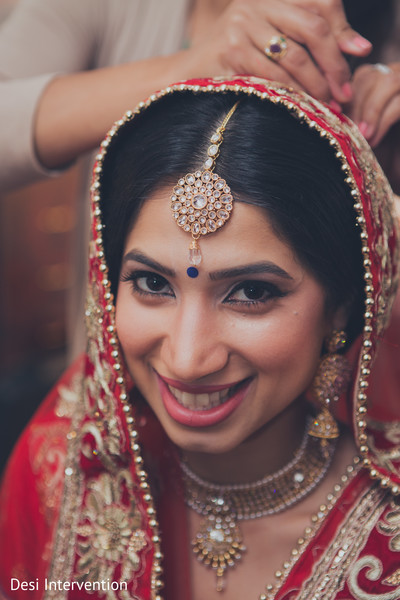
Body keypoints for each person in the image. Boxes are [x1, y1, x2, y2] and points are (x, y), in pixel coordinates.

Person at [0, 76, 399, 599]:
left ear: (343, 308)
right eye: (150, 283)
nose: (187, 359)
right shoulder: (56, 469)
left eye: (251, 291)